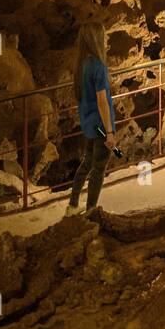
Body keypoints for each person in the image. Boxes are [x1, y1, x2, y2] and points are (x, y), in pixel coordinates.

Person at [66, 20, 117, 218]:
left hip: (88, 123)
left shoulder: (82, 64)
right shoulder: (98, 66)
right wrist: (110, 132)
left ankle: (72, 205)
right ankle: (91, 210)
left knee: (87, 163)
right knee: (98, 168)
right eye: (104, 36)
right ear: (97, 39)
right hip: (100, 125)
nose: (107, 39)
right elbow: (102, 100)